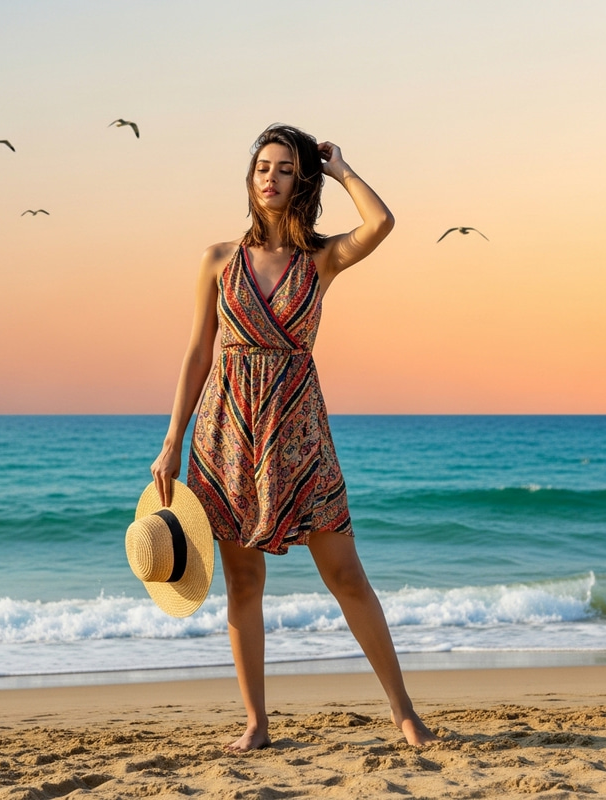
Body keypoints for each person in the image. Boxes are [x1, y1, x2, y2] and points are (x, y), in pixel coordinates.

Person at [151, 123, 437, 751]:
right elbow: (199, 351)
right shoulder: (218, 259)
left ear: (299, 181)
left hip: (300, 431)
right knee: (244, 582)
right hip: (227, 430)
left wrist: (340, 168)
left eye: (284, 168)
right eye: (261, 167)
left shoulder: (321, 258)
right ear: (250, 180)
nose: (270, 178)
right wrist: (173, 438)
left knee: (346, 574)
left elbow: (381, 221)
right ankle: (256, 722)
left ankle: (404, 712)